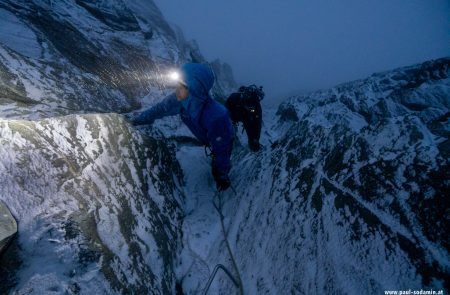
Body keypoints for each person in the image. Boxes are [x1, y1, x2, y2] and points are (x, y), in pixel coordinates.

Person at [130, 63, 234, 191]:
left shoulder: (216, 117)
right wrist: (139, 120)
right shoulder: (180, 100)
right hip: (210, 137)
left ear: (195, 89)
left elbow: (222, 150)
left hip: (223, 136)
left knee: (218, 162)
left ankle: (221, 175)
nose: (177, 89)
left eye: (183, 86)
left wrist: (222, 175)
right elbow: (159, 110)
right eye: (178, 84)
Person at [225, 85, 264, 152]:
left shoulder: (255, 108)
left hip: (244, 116)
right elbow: (257, 124)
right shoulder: (235, 98)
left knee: (250, 124)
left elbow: (256, 124)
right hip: (239, 115)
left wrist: (255, 139)